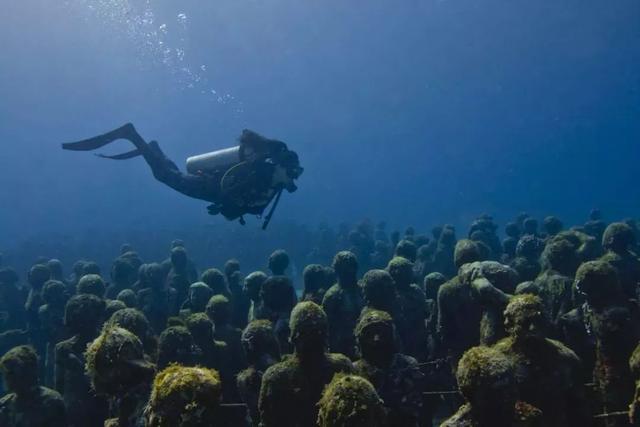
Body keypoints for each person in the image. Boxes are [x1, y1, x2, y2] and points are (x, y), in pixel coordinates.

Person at [62, 123, 303, 226]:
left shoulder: (271, 184)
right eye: (291, 172)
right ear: (280, 166)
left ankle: (152, 148)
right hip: (208, 186)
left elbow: (241, 202)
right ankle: (131, 134)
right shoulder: (261, 173)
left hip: (211, 193)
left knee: (171, 174)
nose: (293, 178)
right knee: (166, 177)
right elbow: (232, 190)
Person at [258, 302, 353, 427]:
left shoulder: (275, 376)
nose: (311, 339)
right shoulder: (341, 366)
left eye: (316, 333)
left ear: (292, 337)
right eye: (306, 333)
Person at [0, 345, 67, 427]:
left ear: (28, 371)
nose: (7, 377)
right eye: (5, 373)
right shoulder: (4, 405)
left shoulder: (51, 402)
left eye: (11, 372)